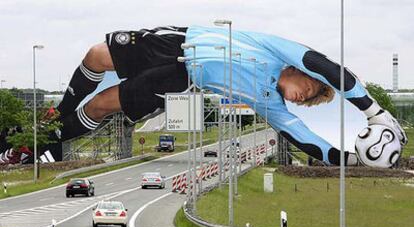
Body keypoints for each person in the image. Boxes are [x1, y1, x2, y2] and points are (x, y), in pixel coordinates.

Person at [40, 25, 407, 165]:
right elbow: (328, 67)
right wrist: (372, 112)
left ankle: (49, 145)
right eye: (308, 91)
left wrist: (351, 161)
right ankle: (58, 116)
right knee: (95, 55)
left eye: (306, 101)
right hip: (176, 42)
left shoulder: (270, 103)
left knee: (101, 105)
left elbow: (305, 139)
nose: (300, 98)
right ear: (302, 73)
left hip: (178, 77)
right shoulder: (283, 51)